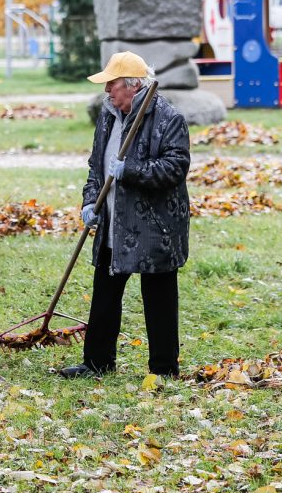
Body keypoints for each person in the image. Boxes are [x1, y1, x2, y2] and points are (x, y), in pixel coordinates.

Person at [59, 51, 190, 379]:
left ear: (133, 86)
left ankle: (163, 369)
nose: (107, 92)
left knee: (158, 299)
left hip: (154, 227)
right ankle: (96, 363)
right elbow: (96, 166)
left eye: (113, 84)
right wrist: (90, 203)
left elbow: (175, 168)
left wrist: (130, 170)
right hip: (113, 222)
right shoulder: (108, 116)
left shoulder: (166, 117)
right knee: (104, 294)